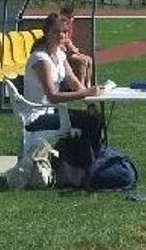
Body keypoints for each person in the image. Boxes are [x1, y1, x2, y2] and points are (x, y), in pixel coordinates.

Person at [22, 11, 104, 149]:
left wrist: (90, 103)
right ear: (46, 33)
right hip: (36, 118)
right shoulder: (41, 59)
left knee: (94, 118)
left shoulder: (60, 55)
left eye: (65, 32)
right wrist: (86, 93)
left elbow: (74, 82)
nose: (61, 35)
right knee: (89, 122)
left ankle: (84, 161)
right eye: (56, 32)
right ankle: (85, 163)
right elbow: (53, 96)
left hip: (53, 111)